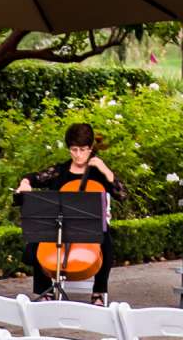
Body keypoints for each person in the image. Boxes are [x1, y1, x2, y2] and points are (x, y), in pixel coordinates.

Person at [16, 123, 121, 302]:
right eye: (74, 149)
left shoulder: (98, 174)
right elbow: (34, 177)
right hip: (63, 226)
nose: (78, 154)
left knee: (107, 242)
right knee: (37, 239)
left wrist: (106, 170)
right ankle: (46, 291)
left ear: (90, 149)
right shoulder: (60, 171)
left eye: (83, 149)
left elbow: (122, 194)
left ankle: (98, 293)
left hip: (90, 228)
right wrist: (25, 183)